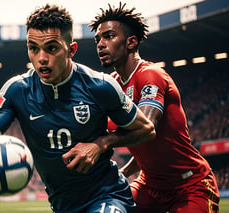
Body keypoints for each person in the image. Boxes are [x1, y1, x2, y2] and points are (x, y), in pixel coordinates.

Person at [0, 4, 156, 213]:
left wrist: (101, 143)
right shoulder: (18, 90)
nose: (42, 58)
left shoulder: (100, 86)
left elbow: (146, 129)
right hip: (62, 205)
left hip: (107, 194)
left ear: (71, 50)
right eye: (33, 48)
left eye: (51, 48)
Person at [89, 2, 220, 213]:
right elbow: (145, 150)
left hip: (189, 186)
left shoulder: (150, 75)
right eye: (98, 39)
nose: (100, 44)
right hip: (149, 186)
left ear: (131, 42)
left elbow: (147, 128)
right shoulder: (111, 85)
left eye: (109, 36)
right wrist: (123, 172)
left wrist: (103, 142)